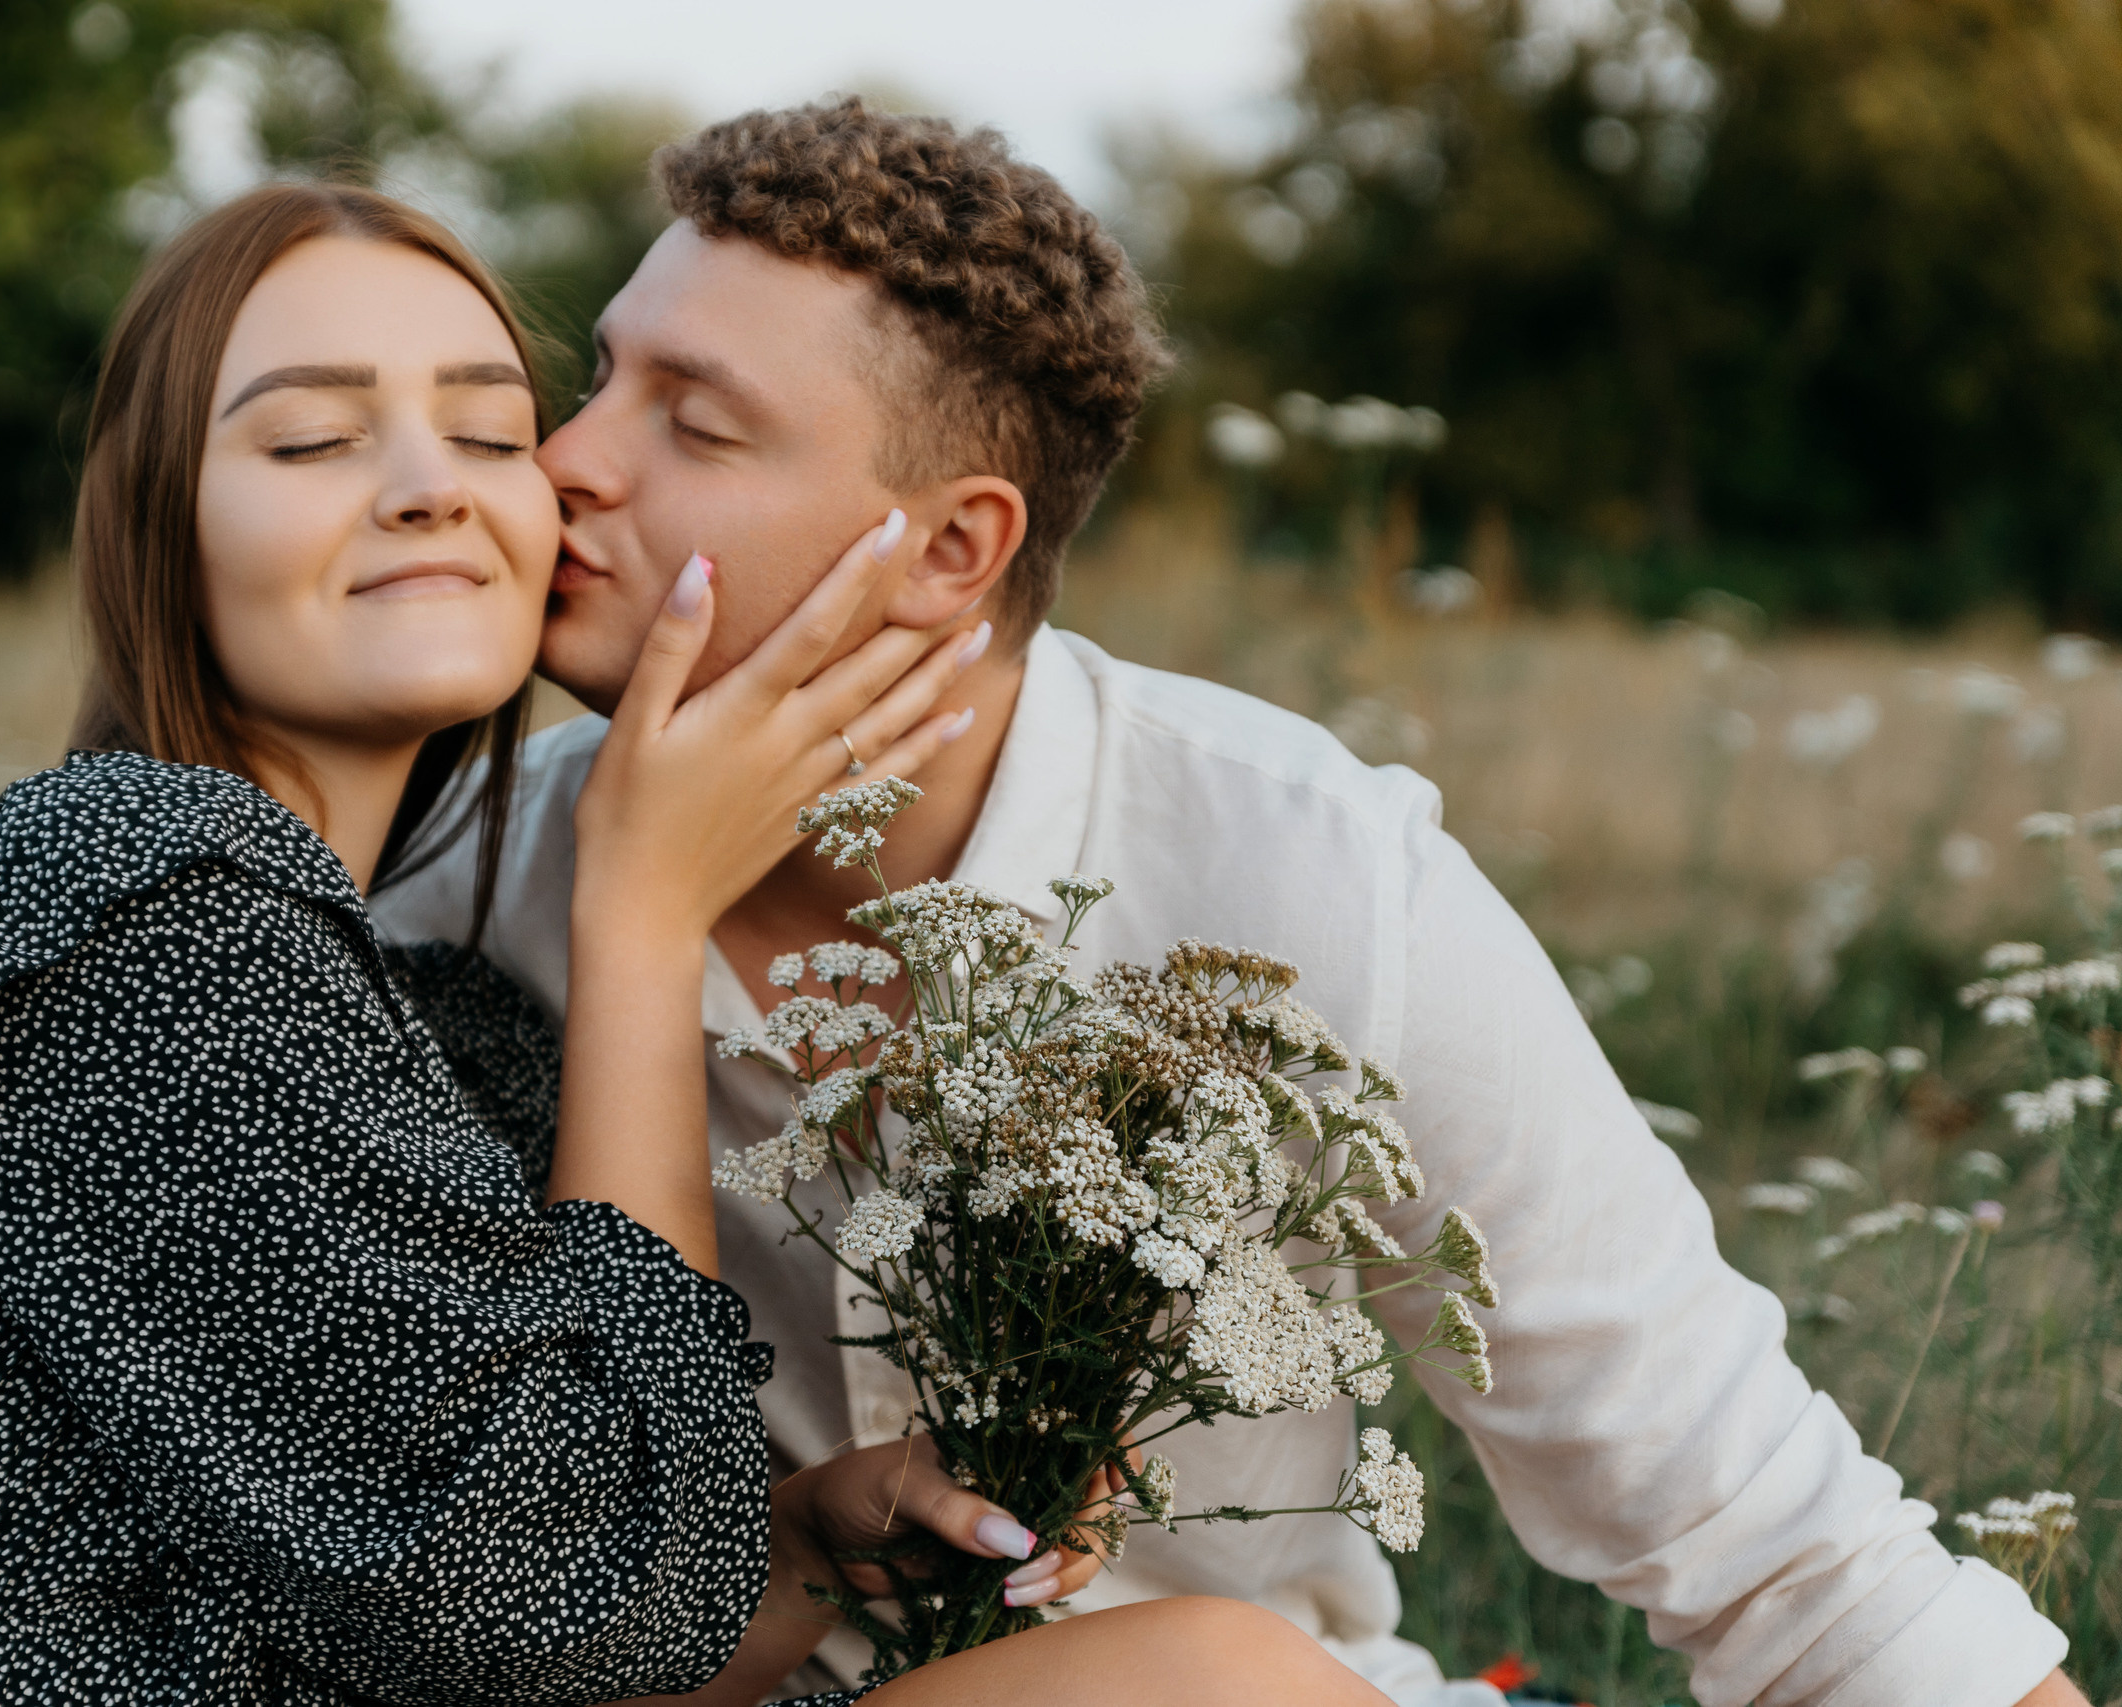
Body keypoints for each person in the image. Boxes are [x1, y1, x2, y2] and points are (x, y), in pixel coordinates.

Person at [373, 101, 2087, 1707]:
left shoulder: (1302, 877)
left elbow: (1777, 1548)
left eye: (695, 422)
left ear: (953, 551)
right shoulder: (451, 888)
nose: (562, 461)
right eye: (597, 380)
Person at [0, 180, 1389, 1707]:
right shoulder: (134, 899)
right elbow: (579, 1597)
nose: (435, 486)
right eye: (311, 440)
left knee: (1198, 1676)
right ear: (157, 523)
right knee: (1222, 1684)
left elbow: (584, 1647)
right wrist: (645, 914)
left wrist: (811, 1544)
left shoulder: (435, 1007)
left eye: (492, 432)